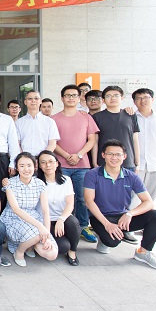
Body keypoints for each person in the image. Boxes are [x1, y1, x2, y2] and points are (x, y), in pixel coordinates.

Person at [84, 140, 156, 270]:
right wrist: (107, 224)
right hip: (101, 217)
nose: (114, 157)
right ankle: (103, 237)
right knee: (112, 242)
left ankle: (143, 252)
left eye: (118, 154)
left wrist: (129, 214)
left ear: (124, 156)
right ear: (103, 155)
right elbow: (89, 201)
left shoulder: (132, 176)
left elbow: (148, 202)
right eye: (110, 154)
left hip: (122, 216)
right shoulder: (92, 174)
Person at [52, 85, 99, 243]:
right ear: (62, 98)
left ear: (79, 98)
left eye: (74, 95)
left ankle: (83, 226)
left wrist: (78, 155)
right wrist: (66, 155)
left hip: (82, 165)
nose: (71, 98)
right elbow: (52, 142)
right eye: (67, 95)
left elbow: (92, 140)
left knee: (82, 198)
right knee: (61, 198)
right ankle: (63, 226)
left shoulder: (86, 117)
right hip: (61, 165)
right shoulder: (54, 119)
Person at [0, 152, 58, 267]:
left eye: (29, 165)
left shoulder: (40, 184)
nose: (26, 169)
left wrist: (46, 234)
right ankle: (19, 251)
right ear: (17, 168)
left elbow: (45, 211)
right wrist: (40, 226)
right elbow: (16, 209)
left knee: (51, 254)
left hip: (33, 217)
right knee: (38, 234)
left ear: (35, 166)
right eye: (22, 166)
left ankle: (30, 245)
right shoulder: (10, 183)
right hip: (13, 218)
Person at [36, 151, 80, 266]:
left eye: (51, 161)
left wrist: (61, 219)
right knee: (63, 247)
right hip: (45, 221)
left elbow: (70, 204)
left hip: (62, 218)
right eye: (43, 162)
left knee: (73, 222)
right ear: (39, 166)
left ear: (57, 163)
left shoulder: (66, 180)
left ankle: (73, 252)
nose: (48, 165)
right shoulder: (36, 182)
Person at [16, 90, 59, 156]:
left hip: (44, 159)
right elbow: (16, 144)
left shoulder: (50, 122)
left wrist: (42, 158)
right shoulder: (19, 122)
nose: (33, 101)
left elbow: (52, 144)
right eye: (30, 99)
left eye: (36, 98)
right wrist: (23, 158)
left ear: (40, 101)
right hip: (24, 159)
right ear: (25, 102)